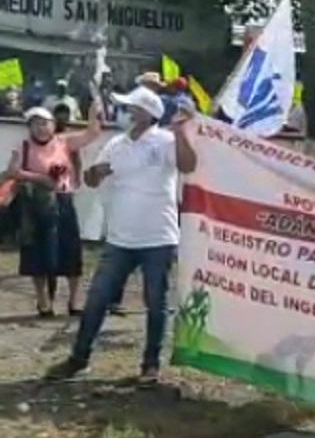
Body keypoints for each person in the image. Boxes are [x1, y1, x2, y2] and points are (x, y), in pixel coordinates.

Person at [43, 86, 197, 386]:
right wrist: (94, 174)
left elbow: (189, 165)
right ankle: (79, 358)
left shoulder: (165, 140)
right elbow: (90, 178)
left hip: (158, 238)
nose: (125, 113)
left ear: (147, 113)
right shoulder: (116, 144)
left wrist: (181, 132)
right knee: (97, 299)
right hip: (120, 239)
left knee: (156, 303)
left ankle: (150, 365)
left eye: (131, 108)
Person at [5, 103, 101, 316]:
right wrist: (39, 178)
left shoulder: (64, 142)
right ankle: (43, 301)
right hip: (36, 204)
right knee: (36, 254)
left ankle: (74, 301)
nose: (41, 128)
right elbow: (13, 171)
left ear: (53, 124)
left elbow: (92, 133)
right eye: (36, 124)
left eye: (45, 123)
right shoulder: (24, 146)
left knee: (71, 251)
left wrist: (94, 111)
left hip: (63, 200)